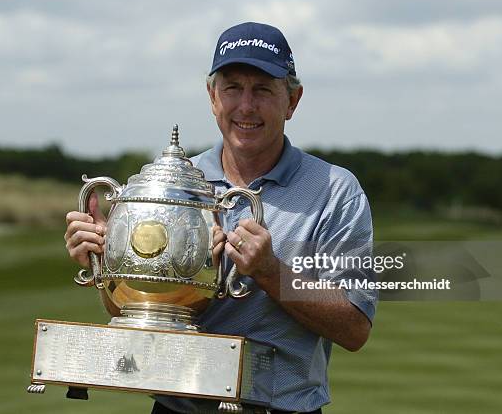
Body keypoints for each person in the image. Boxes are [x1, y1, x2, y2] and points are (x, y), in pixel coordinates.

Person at [64, 22, 377, 414]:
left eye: (263, 89)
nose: (246, 106)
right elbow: (132, 314)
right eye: (232, 88)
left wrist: (269, 271)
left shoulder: (335, 191)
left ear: (292, 101)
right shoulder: (171, 186)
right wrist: (111, 264)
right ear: (213, 97)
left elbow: (354, 328)